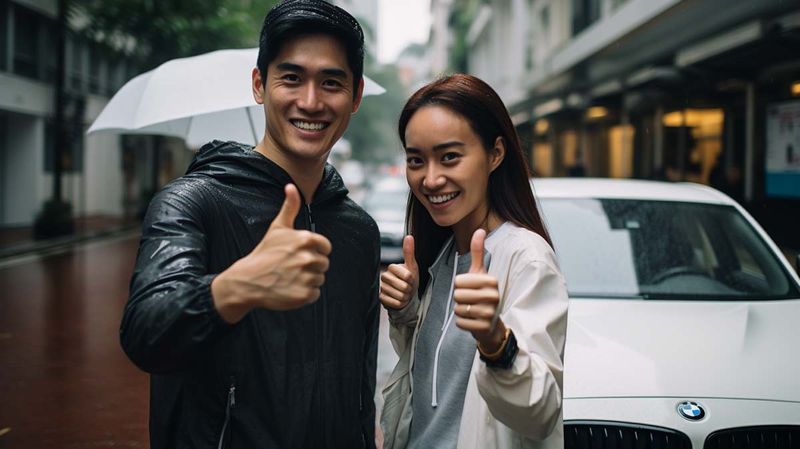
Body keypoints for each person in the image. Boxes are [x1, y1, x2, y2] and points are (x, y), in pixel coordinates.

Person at [120, 1, 380, 448]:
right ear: (260, 85)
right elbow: (145, 333)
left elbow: (360, 385)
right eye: (291, 78)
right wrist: (233, 289)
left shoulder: (359, 230)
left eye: (331, 82)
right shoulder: (191, 202)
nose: (311, 101)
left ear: (354, 96)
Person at [380, 74, 569, 449]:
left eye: (449, 157)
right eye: (416, 160)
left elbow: (541, 412)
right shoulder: (443, 253)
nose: (430, 179)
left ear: (495, 154)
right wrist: (406, 310)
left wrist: (496, 340)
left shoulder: (526, 258)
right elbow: (436, 384)